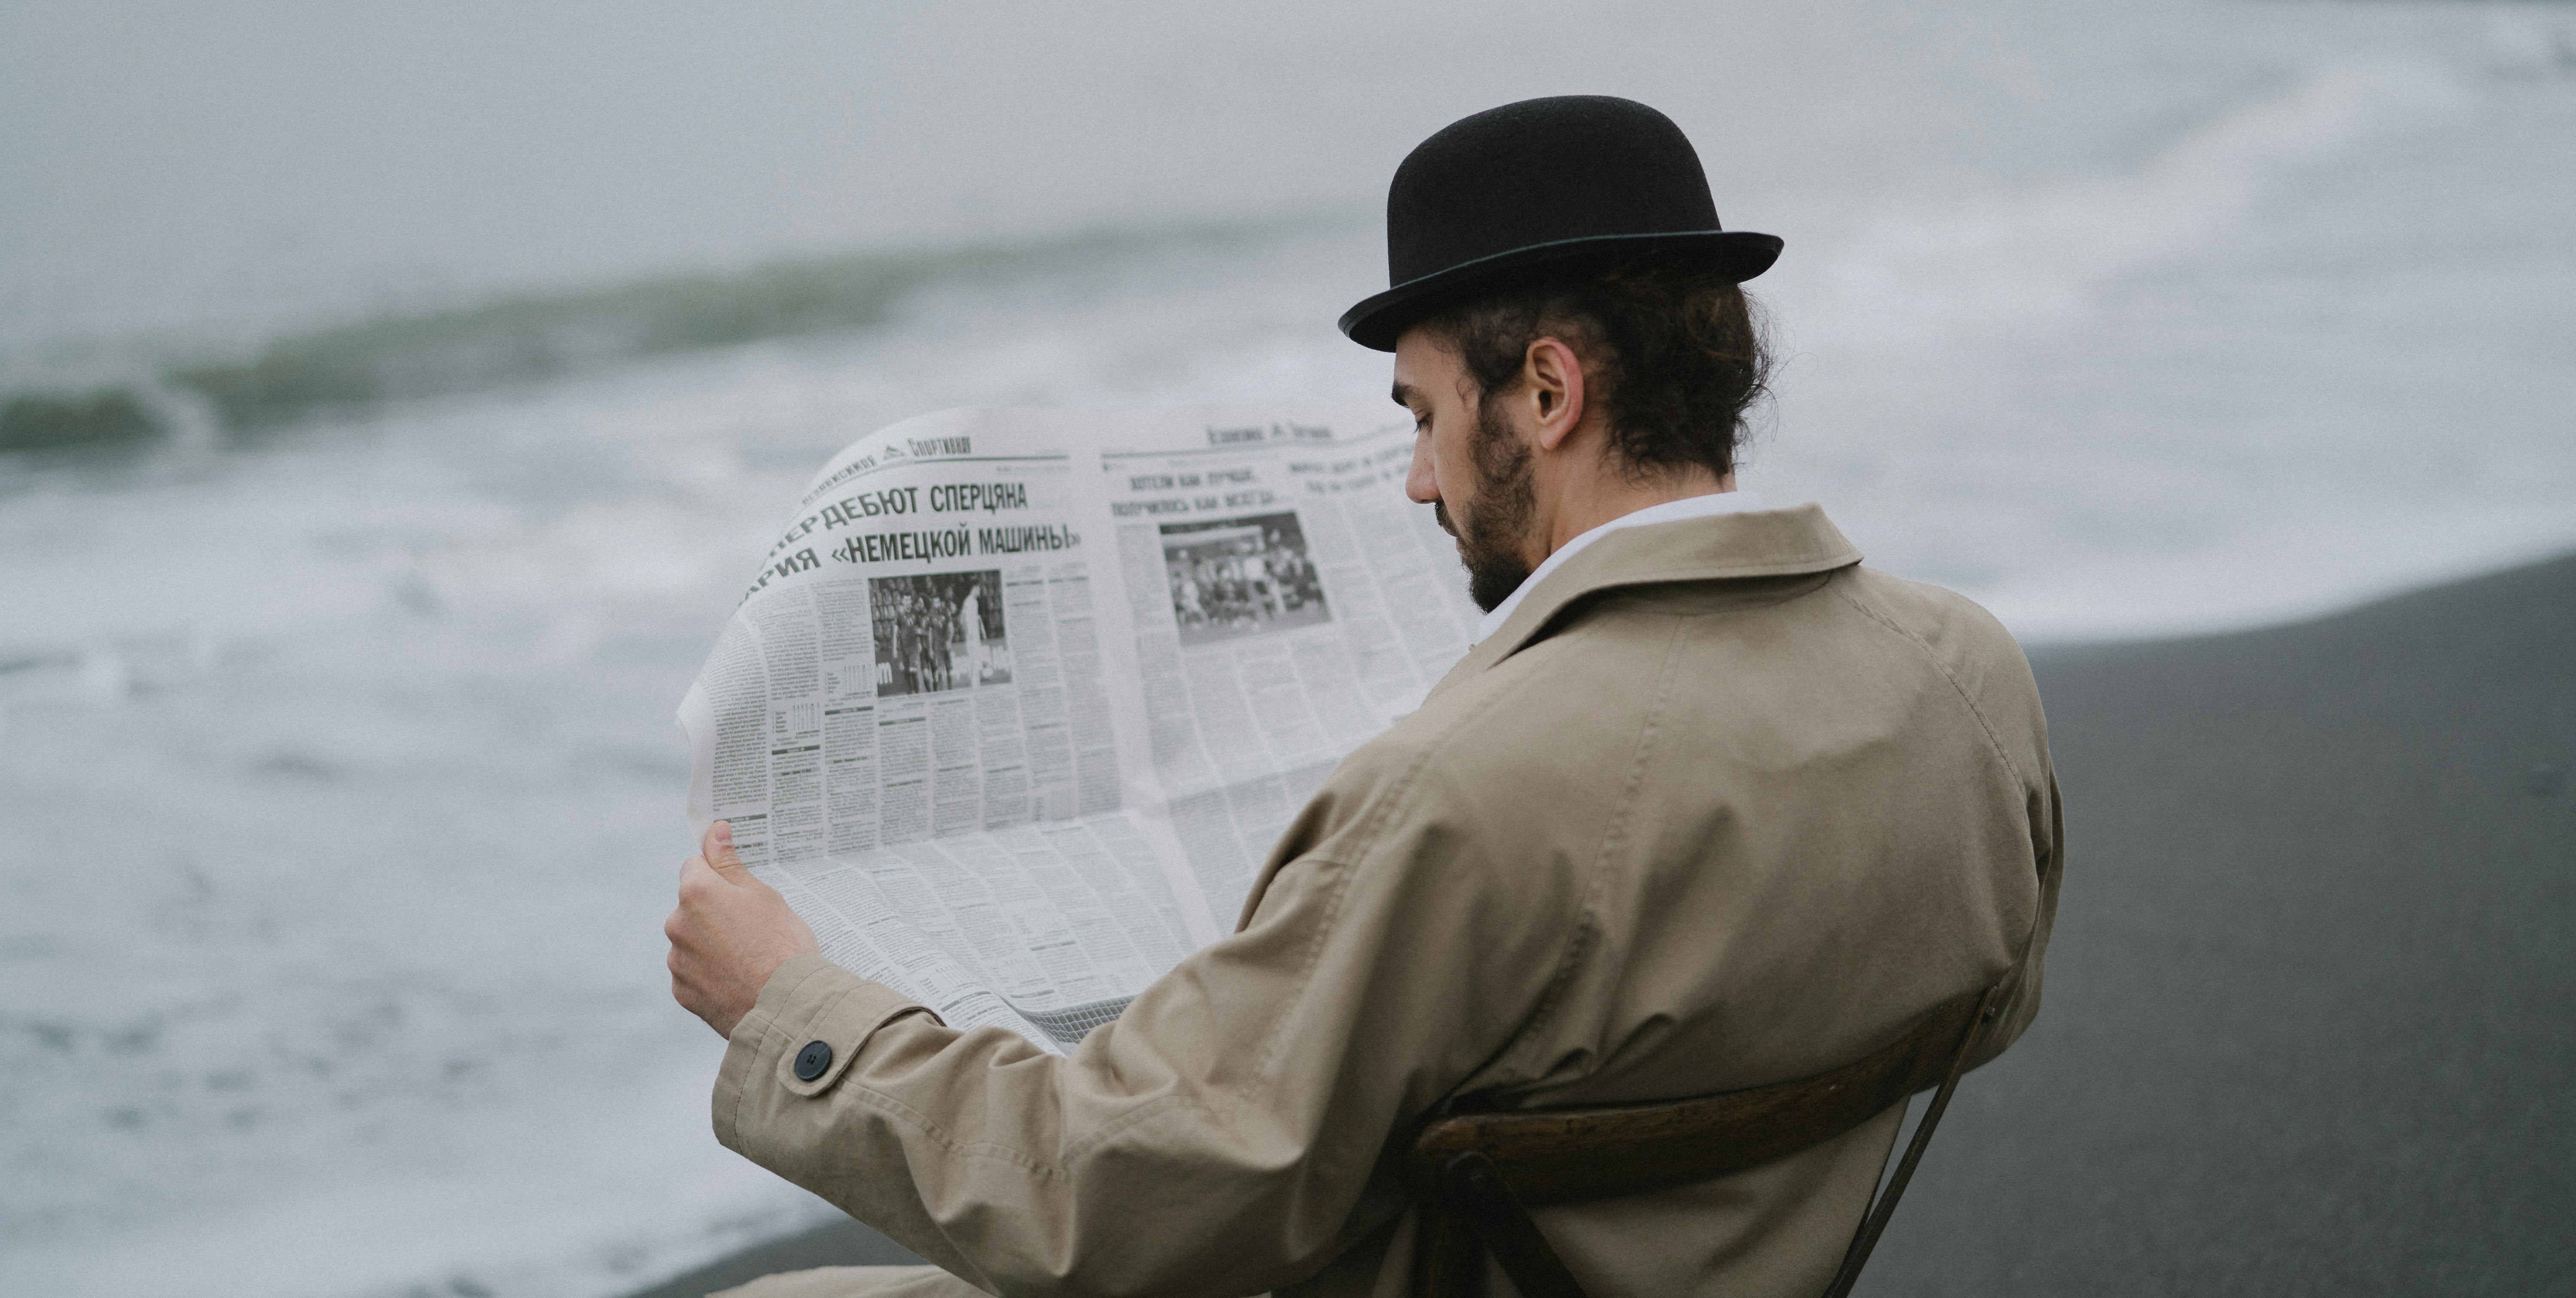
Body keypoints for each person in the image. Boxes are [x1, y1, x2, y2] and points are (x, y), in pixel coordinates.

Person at [665, 95, 2064, 1298]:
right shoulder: (1970, 677)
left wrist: (793, 1015)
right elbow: (1988, 1013)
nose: (1413, 479)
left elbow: (1105, 1201)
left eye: (1420, 413)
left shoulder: (1460, 798)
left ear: (1548, 391)